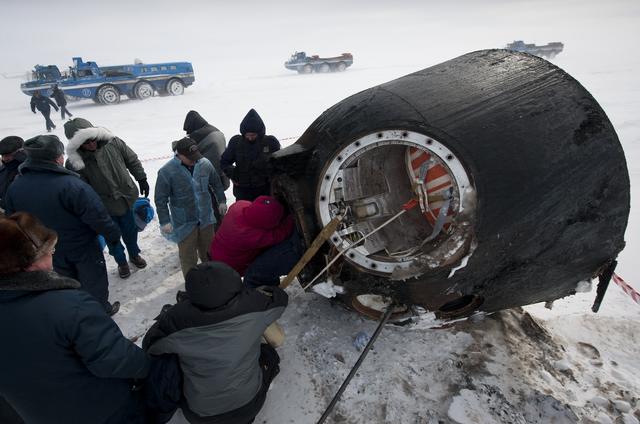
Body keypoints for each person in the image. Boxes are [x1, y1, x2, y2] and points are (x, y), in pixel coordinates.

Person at [0, 212, 149, 424]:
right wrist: (150, 365)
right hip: (103, 411)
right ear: (29, 262)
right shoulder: (69, 307)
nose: (53, 257)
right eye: (50, 251)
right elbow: (117, 360)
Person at [143, 261, 286, 424]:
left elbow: (150, 346)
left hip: (200, 416)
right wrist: (255, 293)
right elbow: (281, 299)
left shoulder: (176, 318)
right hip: (248, 407)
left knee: (171, 360)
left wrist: (168, 318)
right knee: (269, 355)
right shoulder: (254, 304)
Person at [4, 134, 122, 315]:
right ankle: (100, 312)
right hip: (82, 247)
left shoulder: (15, 188)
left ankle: (74, 313)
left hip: (46, 251)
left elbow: (13, 223)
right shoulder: (72, 185)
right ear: (56, 158)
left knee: (63, 284)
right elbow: (97, 216)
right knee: (93, 281)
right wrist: (112, 235)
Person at [64, 117, 149, 279]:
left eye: (93, 139)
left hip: (126, 198)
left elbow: (131, 159)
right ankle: (121, 262)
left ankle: (134, 254)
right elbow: (81, 190)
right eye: (86, 142)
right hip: (103, 207)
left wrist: (141, 178)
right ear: (77, 144)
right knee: (112, 237)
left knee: (131, 231)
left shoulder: (114, 143)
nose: (92, 144)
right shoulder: (75, 163)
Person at [155, 137, 227, 278]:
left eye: (196, 156)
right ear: (179, 154)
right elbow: (160, 199)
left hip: (206, 218)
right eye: (190, 158)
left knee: (209, 252)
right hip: (184, 222)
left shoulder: (204, 164)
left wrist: (222, 201)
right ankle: (192, 282)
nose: (194, 160)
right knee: (188, 256)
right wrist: (165, 221)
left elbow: (216, 184)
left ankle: (212, 278)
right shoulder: (167, 171)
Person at [209, 195, 302, 288]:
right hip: (230, 264)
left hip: (216, 250)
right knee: (251, 277)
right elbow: (279, 235)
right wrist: (291, 218)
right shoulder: (248, 235)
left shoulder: (239, 206)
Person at [220, 109, 280, 201]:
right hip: (243, 190)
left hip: (265, 190)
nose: (250, 138)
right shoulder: (236, 142)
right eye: (247, 135)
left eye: (253, 135)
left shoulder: (270, 142)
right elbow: (224, 162)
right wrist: (233, 174)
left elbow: (279, 163)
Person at [183, 110, 229, 225]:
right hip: (222, 172)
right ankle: (222, 224)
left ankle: (216, 227)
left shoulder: (199, 136)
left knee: (212, 206)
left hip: (209, 177)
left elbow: (192, 154)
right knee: (220, 202)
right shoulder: (215, 130)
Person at [0, 136, 26, 214]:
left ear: (20, 153)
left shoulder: (27, 171)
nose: (4, 159)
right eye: (2, 155)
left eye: (7, 155)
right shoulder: (2, 170)